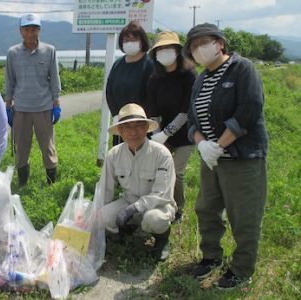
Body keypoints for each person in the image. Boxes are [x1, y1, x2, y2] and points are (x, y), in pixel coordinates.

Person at [182, 23, 268, 289]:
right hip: (211, 160)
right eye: (193, 47)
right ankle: (211, 257)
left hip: (241, 158)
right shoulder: (201, 79)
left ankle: (242, 269)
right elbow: (192, 120)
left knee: (243, 215)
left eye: (203, 43)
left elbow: (248, 110)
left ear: (220, 43)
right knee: (206, 208)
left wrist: (219, 145)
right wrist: (202, 145)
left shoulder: (242, 69)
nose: (199, 50)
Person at [99, 103, 177, 261]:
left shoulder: (162, 154)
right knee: (101, 216)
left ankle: (162, 240)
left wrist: (135, 208)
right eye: (127, 127)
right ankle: (126, 230)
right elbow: (105, 189)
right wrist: (96, 217)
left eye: (139, 126)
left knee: (154, 219)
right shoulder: (113, 154)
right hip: (128, 201)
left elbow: (162, 193)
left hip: (158, 205)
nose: (133, 132)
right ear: (120, 131)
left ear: (147, 128)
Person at [5, 13, 62, 186]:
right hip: (21, 109)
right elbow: (9, 80)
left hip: (43, 107)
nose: (31, 33)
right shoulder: (13, 53)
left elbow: (55, 78)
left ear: (39, 30)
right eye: (27, 29)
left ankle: (51, 182)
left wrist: (56, 103)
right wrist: (8, 105)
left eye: (34, 29)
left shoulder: (49, 51)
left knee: (48, 146)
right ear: (21, 31)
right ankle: (23, 183)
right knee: (22, 148)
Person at [146, 31, 197, 222]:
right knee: (159, 169)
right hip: (162, 132)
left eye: (169, 48)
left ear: (177, 51)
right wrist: (157, 131)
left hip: (186, 134)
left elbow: (187, 110)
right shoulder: (154, 79)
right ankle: (159, 202)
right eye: (160, 49)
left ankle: (178, 208)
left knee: (177, 172)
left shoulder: (189, 75)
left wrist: (167, 133)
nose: (164, 53)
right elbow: (153, 110)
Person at [106, 20, 154, 146]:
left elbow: (152, 96)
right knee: (120, 157)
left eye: (134, 39)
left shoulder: (149, 64)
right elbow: (109, 91)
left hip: (141, 124)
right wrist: (116, 115)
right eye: (126, 39)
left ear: (142, 40)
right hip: (121, 122)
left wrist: (138, 120)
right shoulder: (118, 64)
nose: (129, 42)